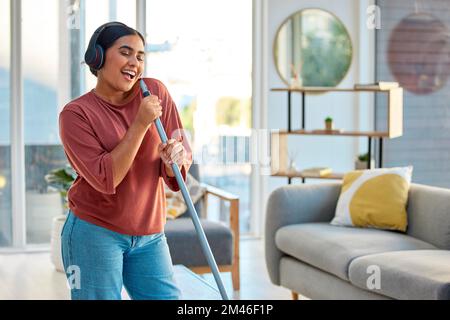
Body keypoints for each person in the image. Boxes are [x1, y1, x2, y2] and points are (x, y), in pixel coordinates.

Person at [59, 22, 192, 300]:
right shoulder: (75, 115)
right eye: (125, 52)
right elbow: (107, 178)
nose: (135, 63)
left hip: (150, 235)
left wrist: (174, 159)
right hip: (94, 232)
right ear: (98, 57)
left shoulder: (154, 92)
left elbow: (179, 156)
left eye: (141, 56)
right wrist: (140, 123)